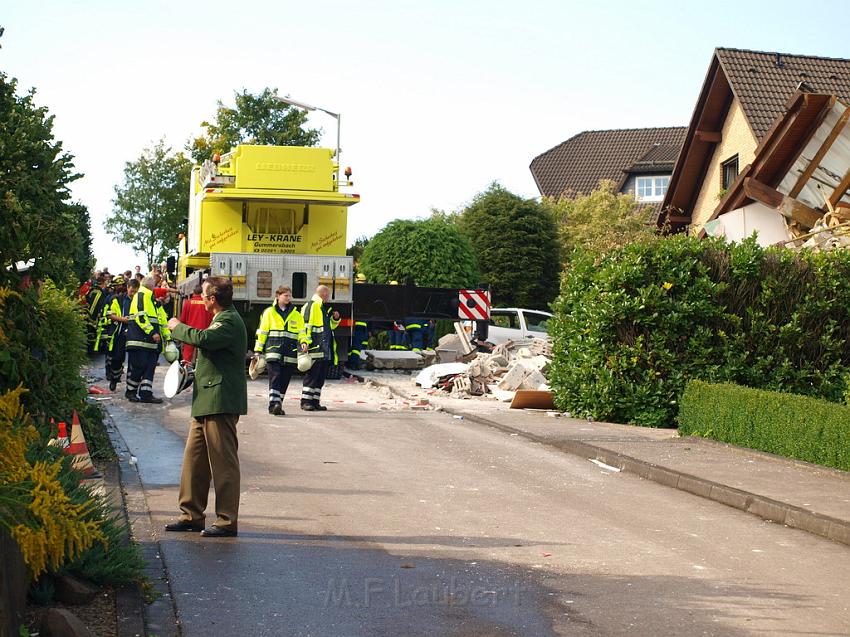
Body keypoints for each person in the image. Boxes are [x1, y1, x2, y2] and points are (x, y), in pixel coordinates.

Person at [164, 277, 247, 538]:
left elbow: (203, 339)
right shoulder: (221, 318)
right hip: (207, 400)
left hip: (220, 401)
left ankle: (226, 521)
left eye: (203, 294)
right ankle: (191, 515)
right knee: (194, 461)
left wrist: (177, 327)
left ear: (213, 299)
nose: (200, 298)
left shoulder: (229, 320)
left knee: (224, 464)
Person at [253, 285, 307, 415]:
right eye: (285, 295)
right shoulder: (269, 312)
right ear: (278, 296)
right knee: (275, 376)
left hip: (290, 352)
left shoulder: (296, 314)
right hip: (273, 350)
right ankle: (274, 403)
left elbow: (302, 332)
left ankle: (278, 404)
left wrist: (304, 341)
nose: (288, 298)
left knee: (285, 379)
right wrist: (258, 351)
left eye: (289, 295)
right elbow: (262, 332)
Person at [125, 276, 169, 403]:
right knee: (139, 366)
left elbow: (161, 321)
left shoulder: (151, 299)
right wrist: (153, 332)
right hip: (140, 340)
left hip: (150, 343)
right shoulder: (141, 295)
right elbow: (141, 317)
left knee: (149, 368)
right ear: (150, 286)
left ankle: (146, 393)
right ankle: (131, 391)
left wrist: (167, 338)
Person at [300, 285, 339, 411]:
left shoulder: (322, 308)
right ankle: (305, 401)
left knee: (320, 378)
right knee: (311, 376)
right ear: (324, 294)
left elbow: (328, 328)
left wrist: (335, 319)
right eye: (328, 295)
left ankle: (315, 401)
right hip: (315, 349)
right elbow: (305, 326)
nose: (329, 297)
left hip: (323, 350)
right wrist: (305, 343)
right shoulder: (312, 306)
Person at [103, 277, 136, 391]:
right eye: (132, 291)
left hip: (134, 334)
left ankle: (131, 388)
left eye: (135, 292)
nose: (133, 294)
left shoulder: (139, 300)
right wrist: (123, 319)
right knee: (117, 358)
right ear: (127, 288)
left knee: (135, 361)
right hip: (121, 332)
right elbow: (109, 315)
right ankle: (114, 378)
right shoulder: (118, 299)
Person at [178, 285, 212, 364]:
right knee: (205, 356)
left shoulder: (188, 303)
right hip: (205, 333)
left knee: (187, 355)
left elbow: (183, 319)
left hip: (190, 333)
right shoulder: (208, 303)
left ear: (193, 292)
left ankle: (186, 370)